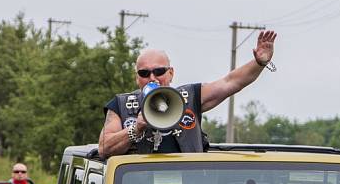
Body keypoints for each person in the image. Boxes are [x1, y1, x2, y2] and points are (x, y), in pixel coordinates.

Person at [98, 30, 277, 158]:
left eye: (159, 71)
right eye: (144, 73)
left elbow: (231, 82)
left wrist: (258, 63)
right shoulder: (121, 104)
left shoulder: (190, 96)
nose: (152, 78)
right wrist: (135, 129)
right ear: (137, 78)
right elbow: (104, 148)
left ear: (171, 73)